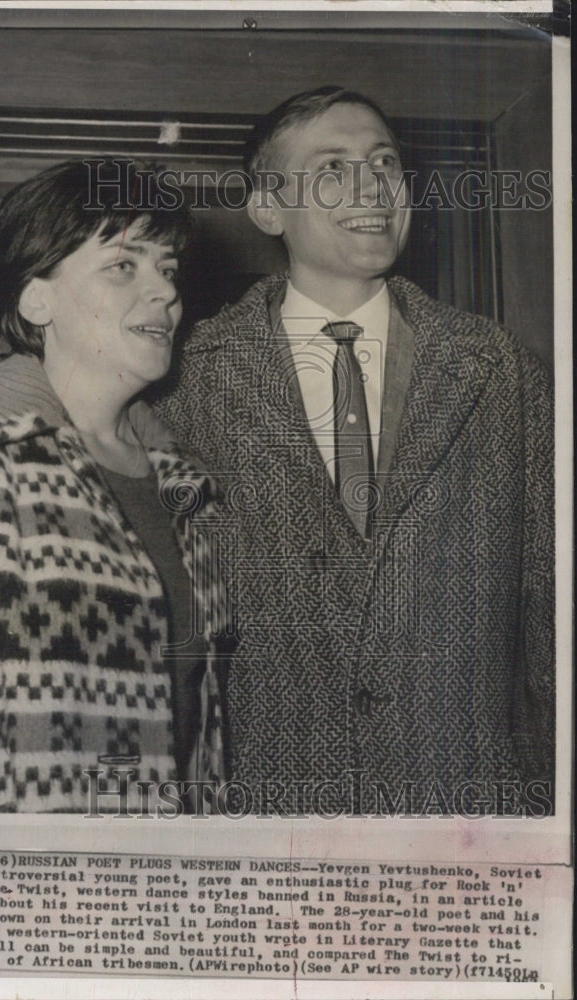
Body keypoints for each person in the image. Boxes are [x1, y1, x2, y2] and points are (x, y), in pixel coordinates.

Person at [156, 86, 555, 816]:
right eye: (333, 168)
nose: (372, 187)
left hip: (467, 825)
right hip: (269, 826)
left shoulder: (503, 373)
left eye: (384, 163)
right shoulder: (187, 384)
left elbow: (553, 627)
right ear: (268, 207)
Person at [0, 159, 226, 813]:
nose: (164, 292)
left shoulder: (190, 489)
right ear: (35, 297)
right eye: (123, 265)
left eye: (168, 270)